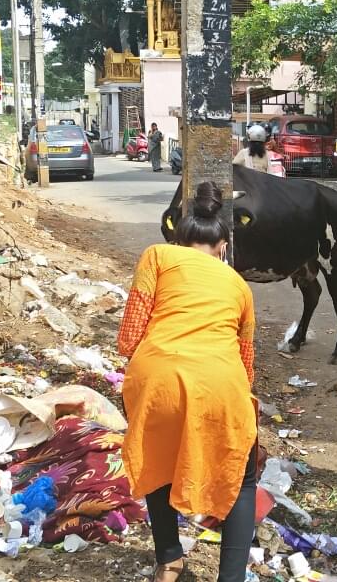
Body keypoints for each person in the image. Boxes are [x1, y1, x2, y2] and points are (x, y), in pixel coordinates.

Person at [117, 182, 259, 582]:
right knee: (242, 479)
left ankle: (169, 560)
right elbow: (246, 367)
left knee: (159, 462)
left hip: (158, 377)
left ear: (177, 239)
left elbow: (128, 338)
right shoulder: (240, 287)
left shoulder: (157, 257)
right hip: (221, 385)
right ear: (224, 248)